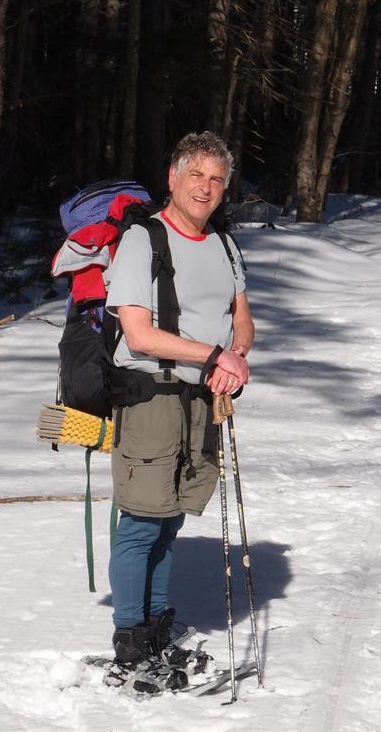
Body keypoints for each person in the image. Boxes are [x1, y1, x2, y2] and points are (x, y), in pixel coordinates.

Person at [103, 131, 254, 664]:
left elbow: (242, 320)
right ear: (173, 178)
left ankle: (158, 619)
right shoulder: (144, 240)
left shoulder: (225, 244)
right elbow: (139, 335)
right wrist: (213, 356)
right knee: (142, 519)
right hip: (150, 397)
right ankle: (130, 635)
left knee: (171, 517)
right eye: (197, 175)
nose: (206, 188)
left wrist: (233, 358)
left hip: (199, 402)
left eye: (217, 179)